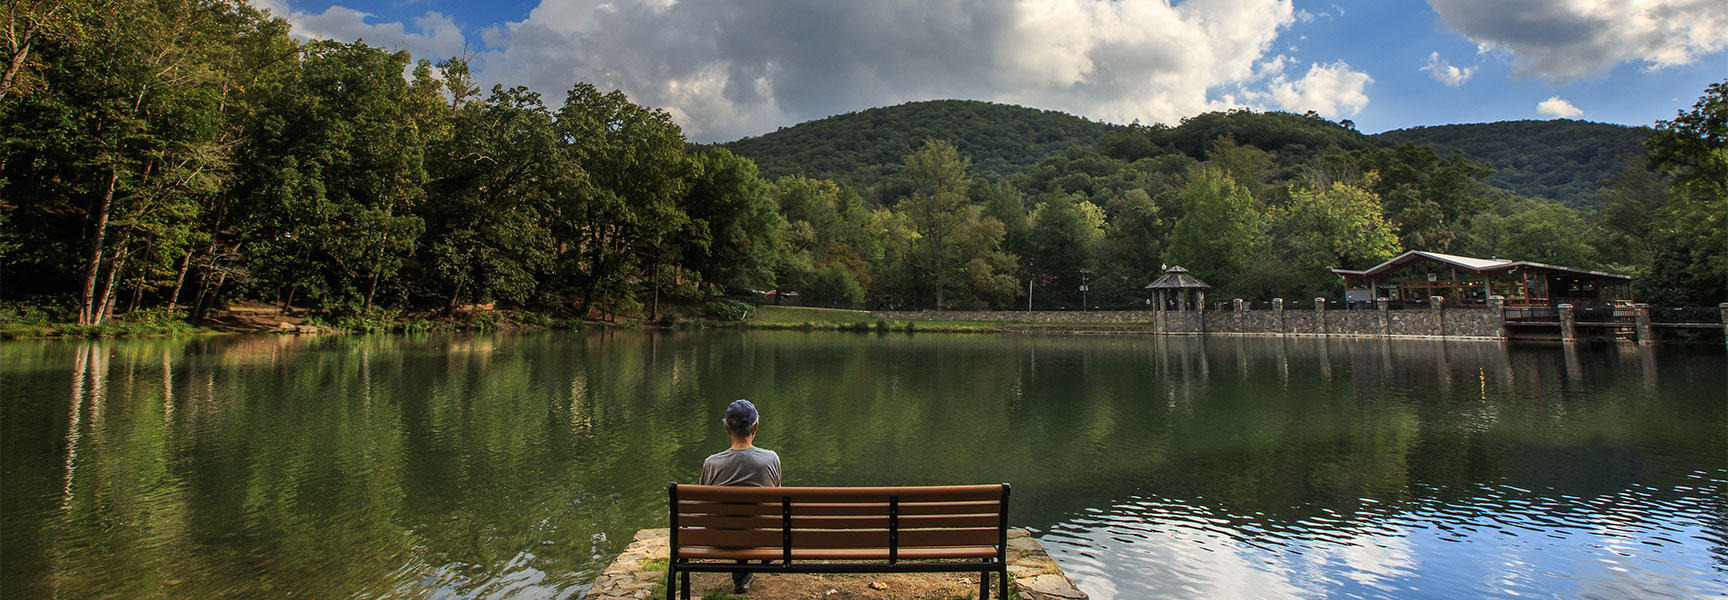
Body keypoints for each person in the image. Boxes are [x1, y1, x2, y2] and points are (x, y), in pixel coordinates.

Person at [700, 399, 781, 594]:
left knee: (735, 520)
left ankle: (741, 572)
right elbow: (776, 502)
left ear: (726, 428)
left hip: (721, 538)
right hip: (759, 537)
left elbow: (704, 506)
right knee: (758, 518)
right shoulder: (771, 460)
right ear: (756, 428)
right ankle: (746, 568)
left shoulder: (712, 463)